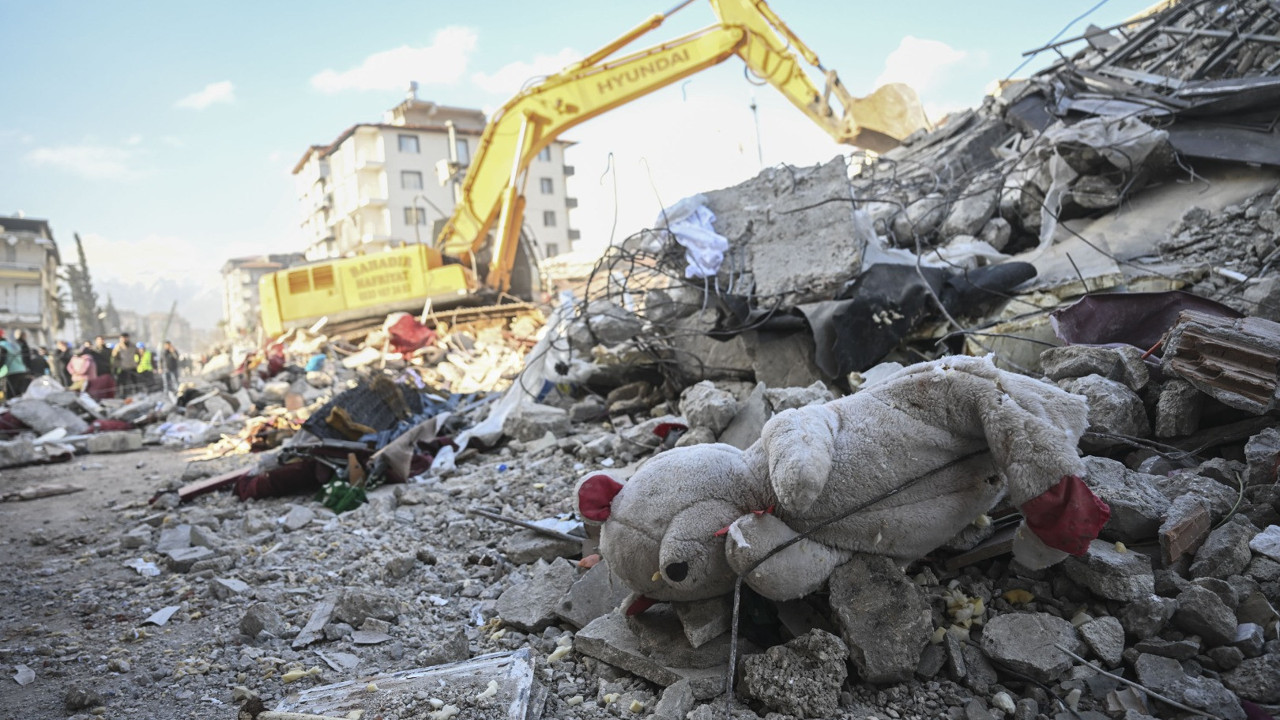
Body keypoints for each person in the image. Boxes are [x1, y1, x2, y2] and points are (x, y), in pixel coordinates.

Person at [0, 329, 31, 398]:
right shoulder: (11, 344)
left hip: (12, 372)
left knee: (11, 394)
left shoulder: (2, 346)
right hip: (22, 370)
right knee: (19, 394)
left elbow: (2, 360)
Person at [111, 332, 139, 397]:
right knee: (124, 384)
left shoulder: (133, 345)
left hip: (132, 366)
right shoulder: (118, 347)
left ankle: (137, 394)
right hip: (123, 368)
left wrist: (137, 363)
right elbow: (114, 357)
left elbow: (138, 354)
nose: (124, 339)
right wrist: (116, 366)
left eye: (126, 338)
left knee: (135, 382)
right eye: (122, 338)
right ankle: (124, 395)